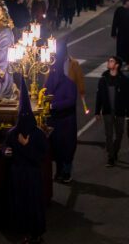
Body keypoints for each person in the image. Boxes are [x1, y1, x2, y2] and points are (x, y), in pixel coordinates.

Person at [3, 78, 48, 243]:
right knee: (20, 205)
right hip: (18, 174)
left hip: (32, 174)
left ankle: (36, 232)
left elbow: (41, 155)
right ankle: (24, 233)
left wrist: (26, 146)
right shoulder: (13, 133)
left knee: (33, 204)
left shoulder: (37, 134)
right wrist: (6, 152)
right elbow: (6, 148)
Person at [45, 40, 79, 183]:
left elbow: (70, 101)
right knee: (56, 147)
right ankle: (59, 171)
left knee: (67, 148)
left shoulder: (69, 84)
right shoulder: (50, 81)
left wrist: (53, 106)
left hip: (66, 122)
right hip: (54, 121)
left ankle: (66, 172)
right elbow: (45, 94)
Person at [95, 56, 129, 166]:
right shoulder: (103, 79)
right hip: (107, 111)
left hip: (120, 111)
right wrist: (97, 111)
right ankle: (110, 157)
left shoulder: (124, 80)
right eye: (109, 61)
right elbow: (99, 96)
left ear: (117, 65)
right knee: (109, 135)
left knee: (119, 134)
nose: (108, 62)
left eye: (111, 61)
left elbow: (127, 97)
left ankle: (115, 151)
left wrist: (128, 110)